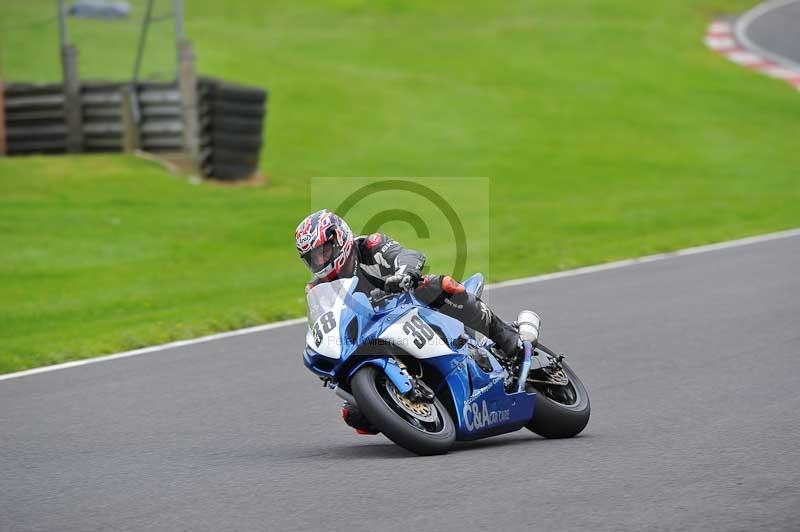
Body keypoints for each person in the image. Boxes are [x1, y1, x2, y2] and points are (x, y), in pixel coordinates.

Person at [296, 209, 525, 434]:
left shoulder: (369, 246)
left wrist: (404, 273)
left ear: (340, 239)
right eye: (312, 258)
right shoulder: (317, 288)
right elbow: (324, 324)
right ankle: (414, 411)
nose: (320, 261)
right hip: (372, 336)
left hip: (409, 305)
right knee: (354, 415)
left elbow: (407, 255)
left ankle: (504, 336)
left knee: (439, 286)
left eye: (324, 251)